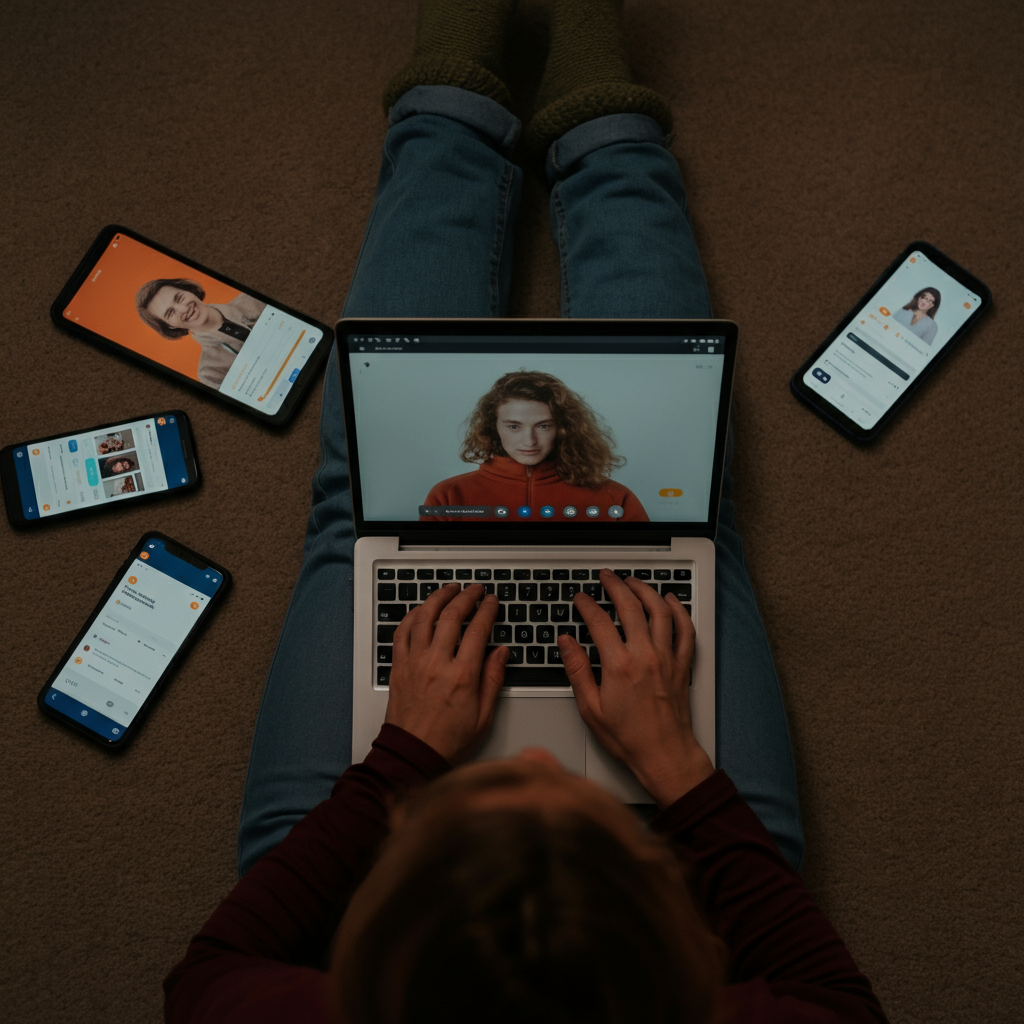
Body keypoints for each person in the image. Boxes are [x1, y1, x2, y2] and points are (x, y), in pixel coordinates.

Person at [164, 2, 888, 1021]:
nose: (540, 771)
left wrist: (402, 754)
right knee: (694, 535)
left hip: (395, 850)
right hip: (638, 876)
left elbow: (207, 976)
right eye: (513, 425)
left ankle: (448, 103)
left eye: (542, 424)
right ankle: (602, 123)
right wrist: (675, 759)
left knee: (357, 519)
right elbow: (838, 999)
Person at [421, 369, 649, 521]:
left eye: (543, 426)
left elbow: (644, 563)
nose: (529, 441)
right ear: (493, 427)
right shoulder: (448, 495)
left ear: (563, 428)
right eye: (514, 426)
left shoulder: (615, 496)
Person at [134, 277, 267, 388]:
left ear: (190, 291)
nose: (183, 309)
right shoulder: (210, 372)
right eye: (170, 312)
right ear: (170, 326)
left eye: (179, 298)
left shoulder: (255, 299)